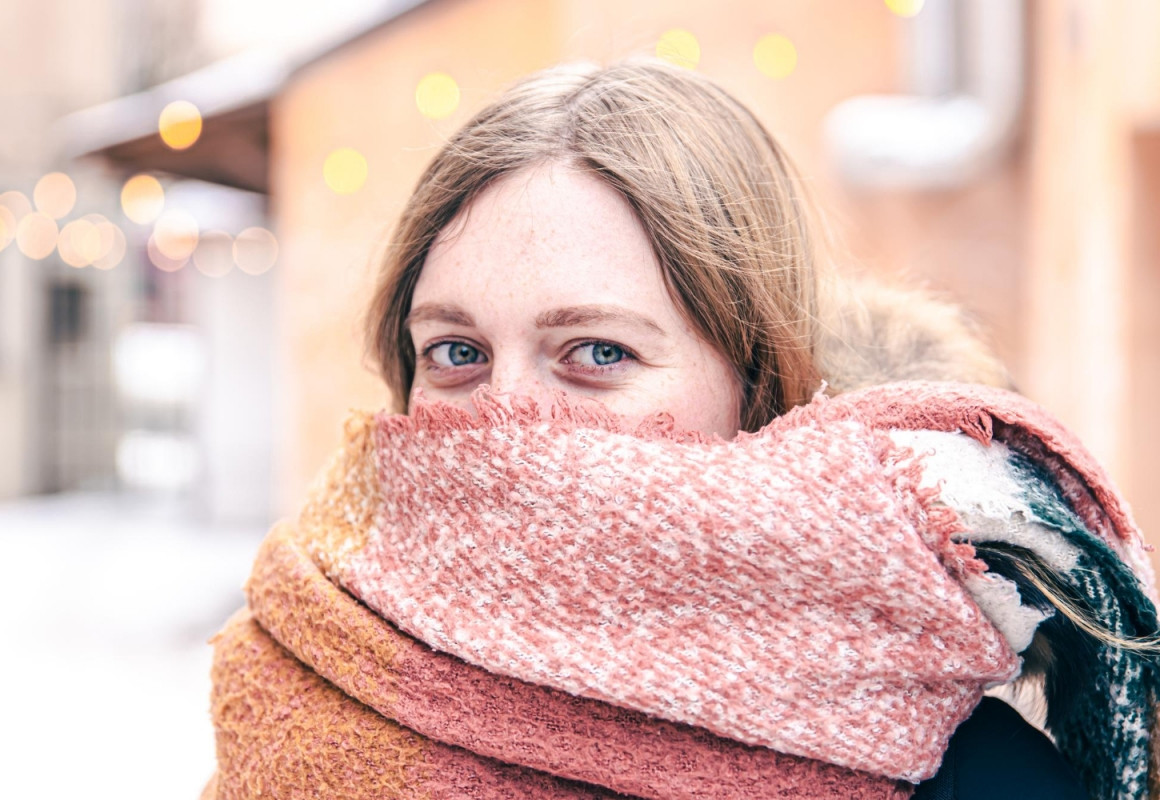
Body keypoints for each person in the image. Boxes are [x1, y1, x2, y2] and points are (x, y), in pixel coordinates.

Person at [203, 60, 1158, 800]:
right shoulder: (300, 671)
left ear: (755, 384)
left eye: (597, 352)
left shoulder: (965, 778)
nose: (505, 415)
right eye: (456, 352)